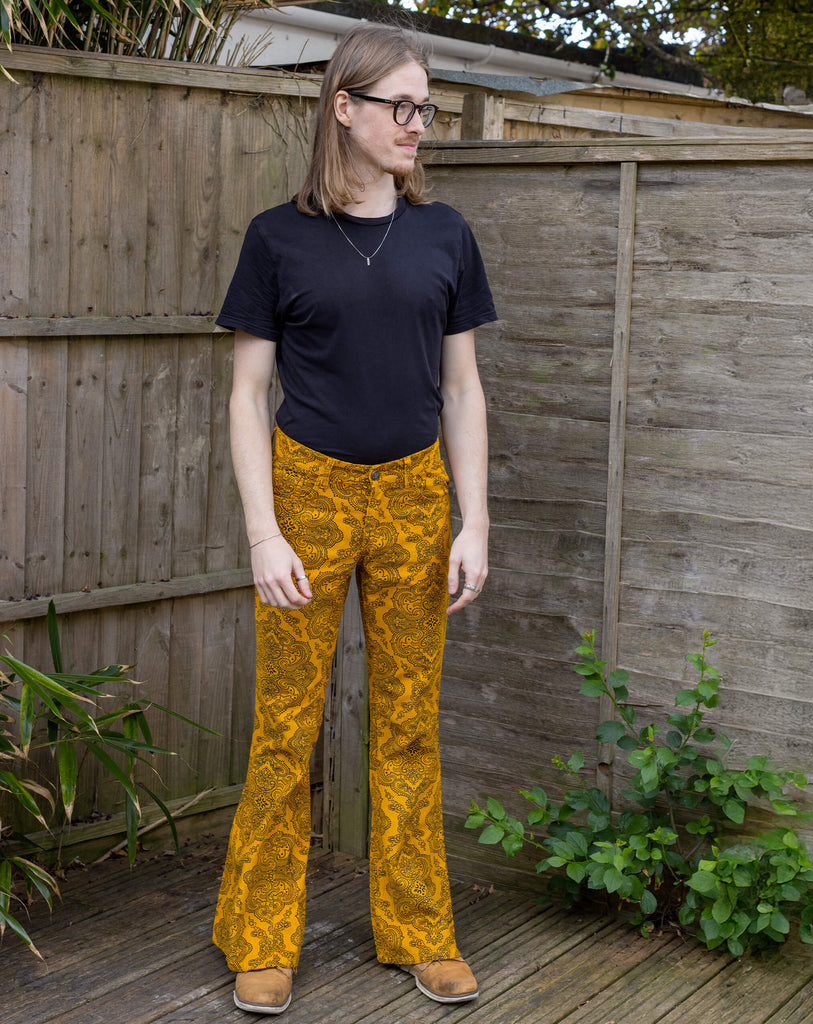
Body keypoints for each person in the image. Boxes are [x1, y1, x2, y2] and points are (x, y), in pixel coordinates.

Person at [212, 22, 497, 1016]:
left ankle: (420, 932)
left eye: (428, 108)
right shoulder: (276, 236)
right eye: (403, 106)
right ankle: (257, 933)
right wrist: (263, 532)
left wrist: (476, 522)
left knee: (408, 722)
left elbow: (462, 390)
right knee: (286, 727)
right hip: (307, 489)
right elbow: (249, 394)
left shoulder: (445, 233)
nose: (421, 124)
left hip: (417, 494)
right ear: (346, 108)